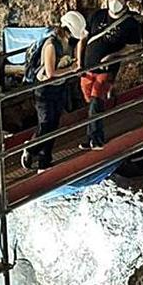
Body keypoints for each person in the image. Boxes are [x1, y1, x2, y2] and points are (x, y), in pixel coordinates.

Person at [77, 0, 142, 150]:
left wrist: (113, 56)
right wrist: (79, 63)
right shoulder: (97, 15)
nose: (114, 1)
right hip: (87, 68)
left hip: (107, 70)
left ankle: (96, 140)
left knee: (95, 101)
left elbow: (133, 47)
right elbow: (83, 39)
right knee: (90, 101)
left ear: (126, 0)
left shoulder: (130, 23)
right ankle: (92, 136)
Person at [22, 11, 87, 171]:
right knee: (45, 124)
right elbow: (51, 73)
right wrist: (71, 69)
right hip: (44, 89)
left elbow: (79, 45)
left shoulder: (69, 43)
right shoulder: (51, 44)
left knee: (54, 124)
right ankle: (31, 149)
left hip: (59, 87)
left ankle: (45, 161)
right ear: (68, 30)